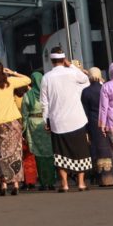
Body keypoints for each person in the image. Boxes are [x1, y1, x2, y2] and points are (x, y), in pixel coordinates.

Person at [41, 47, 92, 192]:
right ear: (64, 59)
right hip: (76, 119)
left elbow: (44, 103)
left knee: (60, 154)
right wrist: (71, 65)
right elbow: (85, 78)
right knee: (81, 151)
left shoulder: (46, 78)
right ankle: (81, 183)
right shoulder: (72, 73)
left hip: (58, 121)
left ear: (51, 61)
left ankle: (64, 184)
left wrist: (46, 121)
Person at [0, 61, 32, 196]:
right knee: (16, 152)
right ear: (2, 70)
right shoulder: (9, 82)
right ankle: (15, 184)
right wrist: (13, 73)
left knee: (1, 154)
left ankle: (3, 184)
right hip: (13, 121)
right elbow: (28, 79)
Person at [21, 72, 55, 191]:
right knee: (50, 154)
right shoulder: (48, 93)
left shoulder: (27, 95)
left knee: (39, 156)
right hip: (47, 125)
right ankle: (51, 181)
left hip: (33, 126)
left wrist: (23, 130)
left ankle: (43, 182)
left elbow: (24, 115)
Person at [82, 67, 113, 187]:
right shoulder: (105, 88)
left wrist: (85, 129)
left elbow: (84, 111)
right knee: (108, 147)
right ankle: (110, 176)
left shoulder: (86, 91)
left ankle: (100, 177)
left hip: (93, 122)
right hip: (109, 120)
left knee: (96, 148)